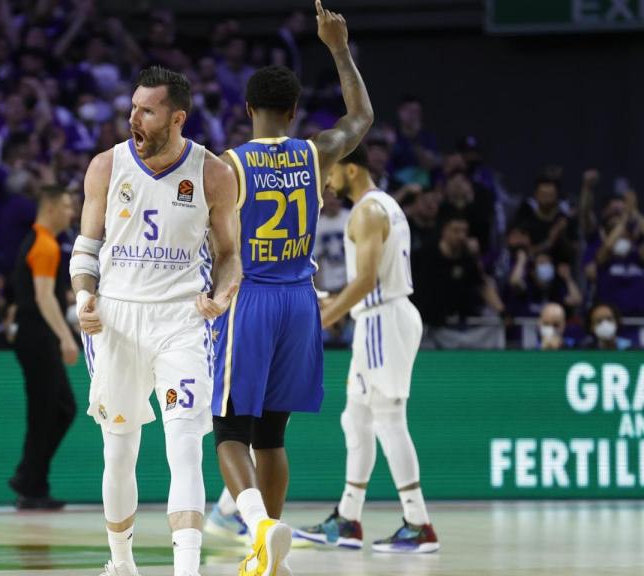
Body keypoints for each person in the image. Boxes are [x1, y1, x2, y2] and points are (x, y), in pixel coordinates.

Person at [206, 4, 375, 573]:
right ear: (295, 111)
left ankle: (261, 529)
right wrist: (338, 48)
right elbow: (362, 117)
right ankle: (266, 553)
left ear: (248, 108)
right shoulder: (316, 152)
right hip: (300, 302)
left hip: (249, 298)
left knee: (229, 428)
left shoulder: (228, 166)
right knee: (271, 435)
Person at [71, 65, 241, 576]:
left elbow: (230, 253)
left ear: (177, 117)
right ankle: (121, 563)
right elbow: (86, 248)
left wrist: (226, 289)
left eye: (147, 110)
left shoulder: (213, 172)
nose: (133, 118)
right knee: (119, 453)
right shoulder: (106, 166)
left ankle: (186, 569)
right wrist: (84, 298)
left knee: (184, 444)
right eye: (132, 108)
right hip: (117, 320)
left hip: (182, 320)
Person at [296, 143, 440, 553]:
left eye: (331, 171)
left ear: (352, 170)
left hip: (382, 320)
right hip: (376, 317)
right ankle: (348, 519)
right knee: (355, 420)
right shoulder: (383, 206)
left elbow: (366, 281)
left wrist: (324, 317)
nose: (326, 180)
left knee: (388, 420)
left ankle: (419, 523)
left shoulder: (368, 211)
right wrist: (335, 304)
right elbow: (363, 286)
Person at [9, 186, 78, 510]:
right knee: (48, 411)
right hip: (38, 337)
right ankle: (30, 482)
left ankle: (31, 479)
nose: (71, 212)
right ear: (50, 208)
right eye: (66, 206)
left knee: (57, 409)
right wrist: (65, 336)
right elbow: (42, 296)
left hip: (36, 335)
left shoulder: (39, 243)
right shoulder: (45, 244)